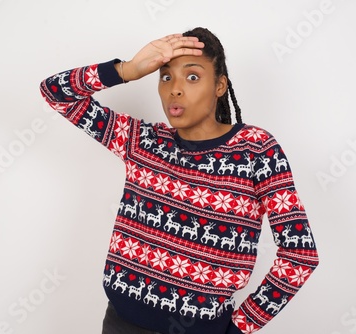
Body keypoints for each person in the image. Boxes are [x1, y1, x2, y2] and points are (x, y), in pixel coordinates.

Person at [40, 27, 319, 334]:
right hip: (121, 324)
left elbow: (299, 255)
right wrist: (128, 70)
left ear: (220, 86)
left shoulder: (257, 151)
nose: (175, 89)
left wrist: (241, 327)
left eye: (193, 77)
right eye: (166, 76)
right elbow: (55, 93)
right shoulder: (142, 141)